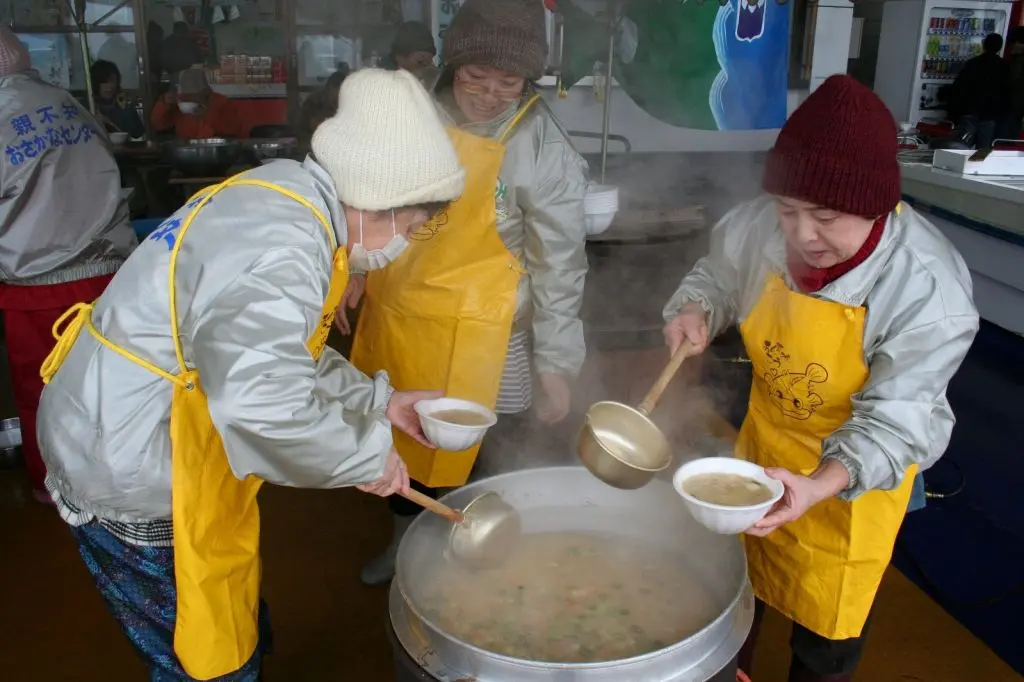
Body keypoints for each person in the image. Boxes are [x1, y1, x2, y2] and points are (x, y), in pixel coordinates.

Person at [36, 69, 464, 680]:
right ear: (377, 200)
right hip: (130, 455)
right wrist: (365, 456)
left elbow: (277, 352)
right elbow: (259, 398)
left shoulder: (290, 194)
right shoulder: (289, 246)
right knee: (195, 649)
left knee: (221, 615)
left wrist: (379, 403)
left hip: (131, 417)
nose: (411, 241)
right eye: (415, 224)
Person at [661, 75, 979, 682]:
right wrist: (696, 308)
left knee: (825, 638)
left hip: (856, 481)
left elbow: (896, 419)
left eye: (827, 217)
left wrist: (817, 485)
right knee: (738, 598)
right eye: (789, 211)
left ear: (877, 206)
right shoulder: (762, 227)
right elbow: (719, 274)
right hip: (769, 446)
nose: (803, 236)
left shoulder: (925, 287)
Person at [351, 0, 589, 586]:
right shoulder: (406, 113)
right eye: (473, 77)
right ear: (449, 65)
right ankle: (408, 542)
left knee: (487, 444)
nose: (487, 93)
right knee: (403, 437)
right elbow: (357, 193)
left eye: (507, 82)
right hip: (402, 312)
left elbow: (559, 262)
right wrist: (352, 267)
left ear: (528, 79)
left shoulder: (542, 146)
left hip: (489, 332)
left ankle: (471, 550)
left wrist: (557, 360)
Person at [0, 27, 136, 506]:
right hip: (110, 272)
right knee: (109, 384)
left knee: (42, 391)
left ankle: (52, 487)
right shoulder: (67, 103)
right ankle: (117, 482)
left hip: (36, 284)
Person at [949, 32, 1011, 148]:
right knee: (982, 149)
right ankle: (977, 166)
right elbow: (1006, 92)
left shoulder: (973, 63)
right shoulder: (1004, 66)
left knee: (961, 146)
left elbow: (959, 88)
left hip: (969, 110)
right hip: (990, 114)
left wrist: (954, 111)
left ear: (984, 45)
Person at [151, 66, 240, 138]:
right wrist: (163, 103)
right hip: (187, 149)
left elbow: (232, 131)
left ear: (206, 92)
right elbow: (158, 125)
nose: (189, 99)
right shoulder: (179, 103)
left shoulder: (223, 103)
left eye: (194, 95)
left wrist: (207, 116)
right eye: (186, 95)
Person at [90, 59, 145, 138]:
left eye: (112, 81)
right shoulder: (90, 105)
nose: (109, 86)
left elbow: (138, 134)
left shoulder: (123, 102)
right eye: (104, 82)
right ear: (95, 84)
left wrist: (125, 109)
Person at [298, 65, 351, 145]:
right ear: (330, 87)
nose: (340, 95)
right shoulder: (313, 102)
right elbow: (308, 128)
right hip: (311, 144)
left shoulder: (345, 103)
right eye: (338, 91)